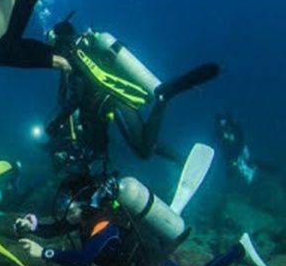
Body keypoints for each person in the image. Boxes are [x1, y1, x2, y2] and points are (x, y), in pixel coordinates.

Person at [14, 177, 281, 266]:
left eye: (67, 205)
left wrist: (43, 253)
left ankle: (238, 251)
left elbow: (83, 258)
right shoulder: (85, 220)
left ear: (84, 205)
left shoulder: (103, 226)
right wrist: (34, 226)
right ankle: (237, 253)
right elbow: (55, 229)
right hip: (141, 264)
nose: (63, 211)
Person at [44, 17, 218, 170]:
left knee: (143, 151)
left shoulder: (73, 57)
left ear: (59, 40)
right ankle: (181, 159)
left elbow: (77, 94)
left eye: (52, 44)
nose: (52, 50)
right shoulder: (85, 46)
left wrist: (57, 122)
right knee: (144, 137)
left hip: (112, 102)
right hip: (120, 94)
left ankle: (164, 97)